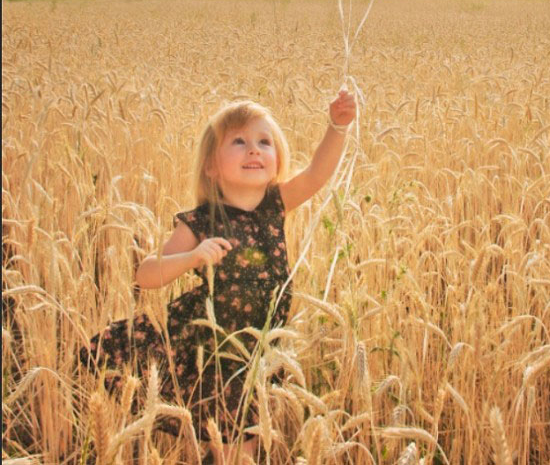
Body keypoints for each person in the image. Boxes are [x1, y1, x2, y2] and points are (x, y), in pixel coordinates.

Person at [80, 88, 357, 462]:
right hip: (214, 353)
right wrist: (193, 256)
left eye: (264, 142)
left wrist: (337, 126)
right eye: (239, 142)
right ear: (211, 165)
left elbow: (317, 174)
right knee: (232, 447)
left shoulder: (276, 205)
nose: (254, 150)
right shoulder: (201, 222)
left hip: (260, 350)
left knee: (250, 438)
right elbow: (146, 274)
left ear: (276, 159)